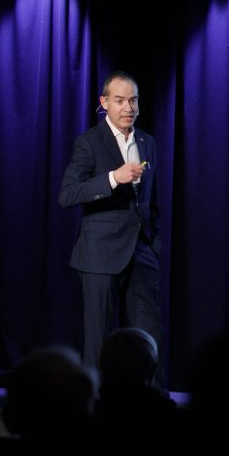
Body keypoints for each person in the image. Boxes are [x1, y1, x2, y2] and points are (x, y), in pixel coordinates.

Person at [59, 71, 161, 373]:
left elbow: (151, 202)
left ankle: (153, 401)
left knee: (150, 334)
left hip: (141, 253)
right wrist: (113, 178)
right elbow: (68, 194)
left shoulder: (147, 141)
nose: (128, 107)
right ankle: (95, 404)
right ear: (105, 102)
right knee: (97, 339)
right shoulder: (89, 142)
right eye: (119, 100)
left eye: (133, 100)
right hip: (99, 255)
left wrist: (154, 244)